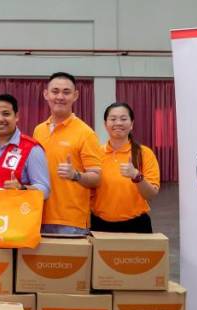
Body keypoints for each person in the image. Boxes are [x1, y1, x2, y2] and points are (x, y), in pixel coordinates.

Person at [33, 72, 103, 235]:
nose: (60, 96)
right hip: (38, 217)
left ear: (75, 96)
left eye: (66, 92)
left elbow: (97, 178)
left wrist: (76, 175)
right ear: (46, 94)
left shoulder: (85, 133)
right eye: (55, 91)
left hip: (72, 223)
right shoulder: (38, 130)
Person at [91, 102, 160, 233]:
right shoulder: (95, 154)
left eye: (123, 119)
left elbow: (151, 194)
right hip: (99, 225)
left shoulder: (144, 153)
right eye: (113, 119)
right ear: (105, 124)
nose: (118, 123)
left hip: (136, 225)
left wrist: (136, 176)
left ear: (131, 124)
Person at [0, 93, 50, 199]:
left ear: (16, 117)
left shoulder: (32, 149)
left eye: (6, 114)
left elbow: (45, 190)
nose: (0, 119)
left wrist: (22, 188)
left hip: (15, 213)